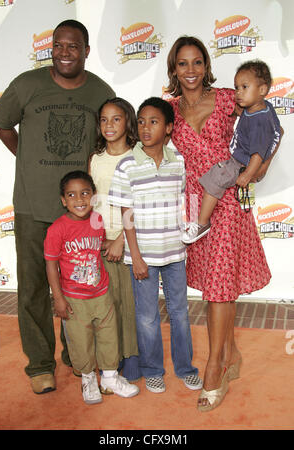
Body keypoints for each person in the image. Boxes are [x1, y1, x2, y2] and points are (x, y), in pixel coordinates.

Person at [0, 19, 115, 394]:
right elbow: (1, 122)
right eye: (59, 46)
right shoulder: (27, 85)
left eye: (73, 47)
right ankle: (41, 366)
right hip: (33, 206)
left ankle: (76, 357)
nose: (65, 53)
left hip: (79, 211)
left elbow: (112, 136)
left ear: (86, 51)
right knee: (32, 288)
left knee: (78, 285)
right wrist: (25, 157)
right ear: (51, 49)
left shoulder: (99, 90)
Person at [166, 36, 276, 411]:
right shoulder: (170, 111)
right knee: (216, 286)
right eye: (183, 63)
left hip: (228, 201)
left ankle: (214, 369)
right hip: (197, 206)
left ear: (206, 65)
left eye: (197, 62)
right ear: (174, 68)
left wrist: (256, 171)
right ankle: (231, 355)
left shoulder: (230, 98)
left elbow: (268, 127)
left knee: (218, 288)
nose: (191, 70)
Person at [108, 97, 202, 394]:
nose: (146, 128)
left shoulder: (179, 163)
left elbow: (183, 203)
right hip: (143, 257)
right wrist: (134, 256)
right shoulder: (127, 165)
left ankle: (185, 367)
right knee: (146, 317)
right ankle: (152, 369)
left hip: (175, 254)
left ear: (169, 127)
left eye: (154, 121)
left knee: (180, 314)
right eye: (141, 122)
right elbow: (127, 216)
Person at [44, 170, 139, 404]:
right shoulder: (57, 228)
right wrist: (58, 298)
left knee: (108, 336)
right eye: (72, 195)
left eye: (85, 193)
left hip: (101, 292)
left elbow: (97, 245)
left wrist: (116, 243)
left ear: (93, 197)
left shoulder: (96, 219)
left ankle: (109, 377)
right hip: (74, 297)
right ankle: (87, 378)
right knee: (80, 340)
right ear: (63, 200)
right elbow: (51, 264)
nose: (79, 200)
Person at [181, 60, 282, 244]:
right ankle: (199, 221)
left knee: (215, 180)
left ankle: (202, 223)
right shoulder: (258, 107)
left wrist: (249, 174)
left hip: (239, 166)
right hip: (194, 189)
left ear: (262, 90)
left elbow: (259, 152)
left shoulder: (257, 119)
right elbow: (278, 129)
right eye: (237, 88)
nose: (238, 93)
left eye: (244, 87)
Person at [88, 97, 141, 382]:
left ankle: (132, 356)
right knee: (106, 305)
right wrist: (96, 239)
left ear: (128, 121)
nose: (109, 125)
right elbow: (90, 200)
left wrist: (121, 239)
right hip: (100, 241)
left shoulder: (136, 156)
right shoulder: (95, 158)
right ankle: (112, 356)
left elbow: (141, 202)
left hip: (127, 240)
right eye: (104, 119)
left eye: (116, 119)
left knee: (129, 303)